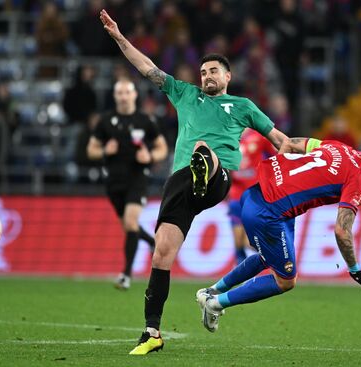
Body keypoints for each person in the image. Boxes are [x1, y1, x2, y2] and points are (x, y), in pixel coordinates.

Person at [100, 9, 288, 355]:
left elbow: (279, 140)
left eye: (213, 71)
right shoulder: (185, 94)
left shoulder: (243, 106)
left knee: (204, 151)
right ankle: (152, 332)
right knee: (162, 253)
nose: (206, 76)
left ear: (228, 76)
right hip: (179, 183)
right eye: (203, 72)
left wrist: (311, 154)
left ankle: (205, 172)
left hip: (217, 178)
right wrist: (118, 37)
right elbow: (146, 68)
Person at [195, 136, 361, 333]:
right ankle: (215, 304)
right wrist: (355, 270)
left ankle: (211, 292)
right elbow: (342, 231)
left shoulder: (338, 147)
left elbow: (291, 143)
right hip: (270, 213)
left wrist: (280, 176)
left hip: (258, 194)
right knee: (286, 280)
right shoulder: (357, 180)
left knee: (269, 258)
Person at [87, 78, 168, 290]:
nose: (123, 96)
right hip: (113, 182)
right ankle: (151, 242)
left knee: (131, 224)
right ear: (115, 96)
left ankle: (126, 274)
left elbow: (162, 148)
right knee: (128, 226)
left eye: (127, 92)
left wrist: (149, 156)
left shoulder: (145, 120)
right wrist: (105, 151)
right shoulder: (105, 121)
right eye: (119, 93)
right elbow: (91, 149)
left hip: (137, 179)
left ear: (134, 95)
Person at [228, 129, 275, 265]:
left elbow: (276, 155)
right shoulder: (227, 136)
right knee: (238, 241)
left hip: (253, 195)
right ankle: (240, 270)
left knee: (248, 241)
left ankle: (274, 256)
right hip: (236, 194)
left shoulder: (259, 136)